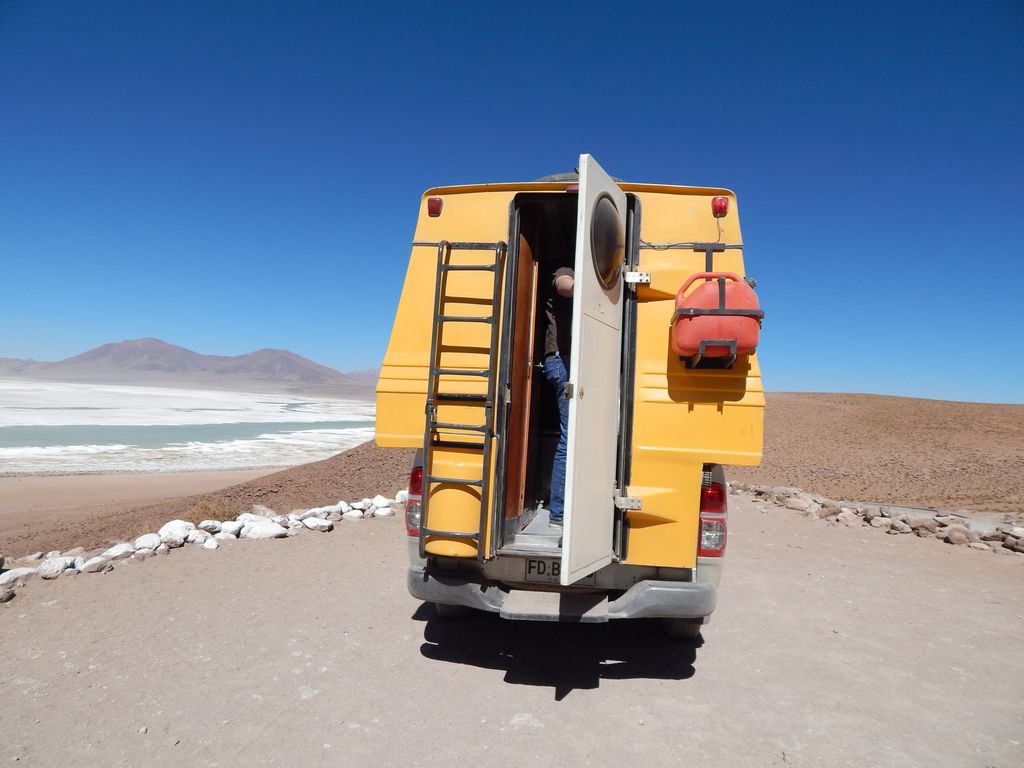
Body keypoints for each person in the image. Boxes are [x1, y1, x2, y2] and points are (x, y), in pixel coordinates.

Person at [542, 263, 574, 528]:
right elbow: (564, 285)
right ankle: (559, 512)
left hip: (569, 360)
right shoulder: (566, 270)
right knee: (570, 435)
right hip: (562, 360)